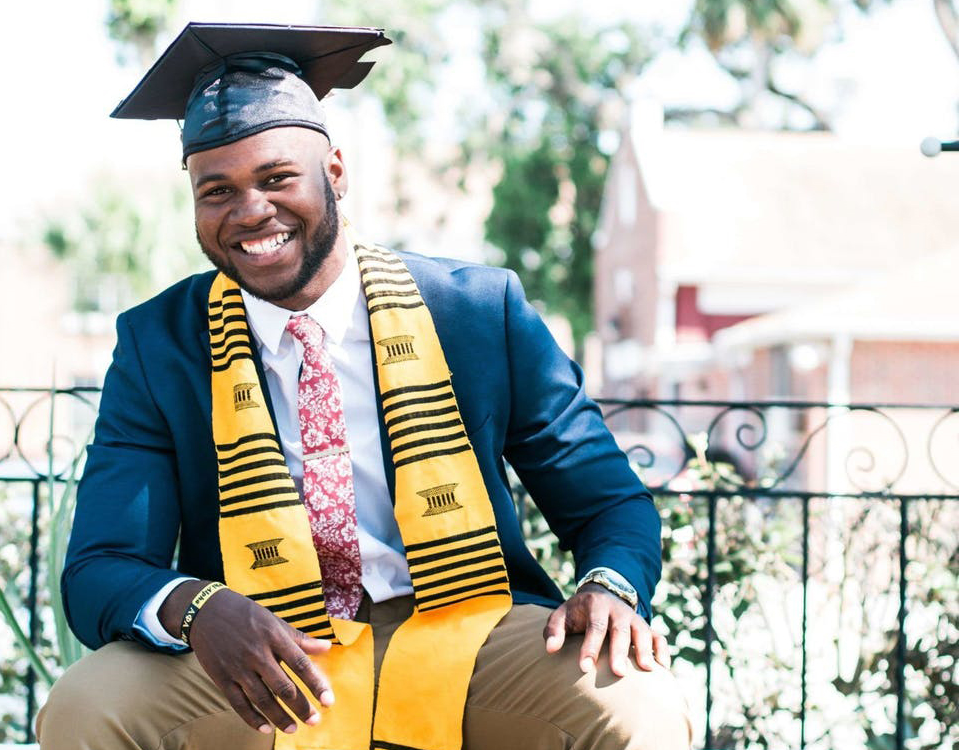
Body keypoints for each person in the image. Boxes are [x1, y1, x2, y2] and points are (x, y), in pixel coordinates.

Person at [36, 22, 692, 750]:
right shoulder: (161, 343)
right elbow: (100, 567)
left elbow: (609, 504)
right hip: (266, 647)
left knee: (637, 707)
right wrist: (197, 607)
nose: (250, 212)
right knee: (87, 705)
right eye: (216, 190)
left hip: (466, 629)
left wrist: (608, 585)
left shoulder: (475, 312)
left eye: (277, 177)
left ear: (336, 173)